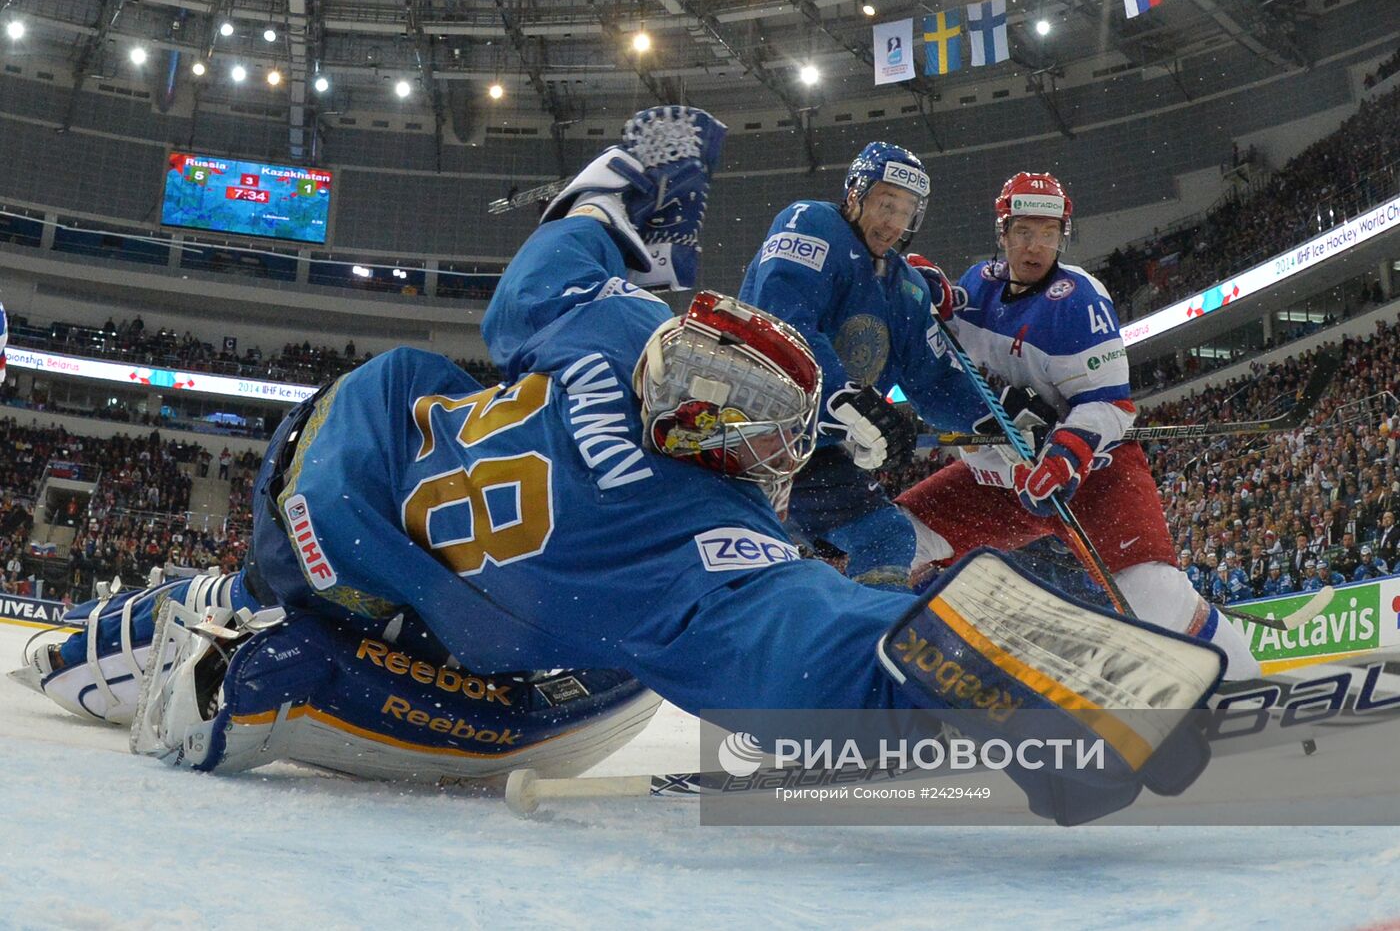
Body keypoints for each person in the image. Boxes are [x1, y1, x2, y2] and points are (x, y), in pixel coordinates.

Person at [16, 108, 1223, 827]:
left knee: (453, 544)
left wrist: (650, 184)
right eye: (768, 431)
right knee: (568, 695)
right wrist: (976, 667)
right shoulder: (693, 538)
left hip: (349, 437)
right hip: (388, 593)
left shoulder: (610, 327)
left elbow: (561, 250)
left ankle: (107, 642)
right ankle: (237, 672)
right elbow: (804, 651)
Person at [893, 171, 1261, 680]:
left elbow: (1111, 406)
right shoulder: (980, 281)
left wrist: (1065, 457)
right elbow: (952, 324)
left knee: (1151, 593)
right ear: (1002, 232)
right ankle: (939, 683)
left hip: (1093, 476)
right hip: (1003, 479)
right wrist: (933, 296)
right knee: (895, 541)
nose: (1035, 246)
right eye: (1023, 232)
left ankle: (1246, 684)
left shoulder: (1081, 301)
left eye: (1048, 234)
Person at [738, 142, 983, 588]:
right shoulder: (811, 223)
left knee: (888, 537)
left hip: (811, 452)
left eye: (905, 212)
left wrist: (991, 415)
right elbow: (781, 321)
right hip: (747, 432)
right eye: (885, 204)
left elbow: (931, 381)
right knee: (737, 558)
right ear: (855, 194)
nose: (893, 223)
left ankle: (864, 643)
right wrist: (842, 396)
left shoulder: (907, 286)